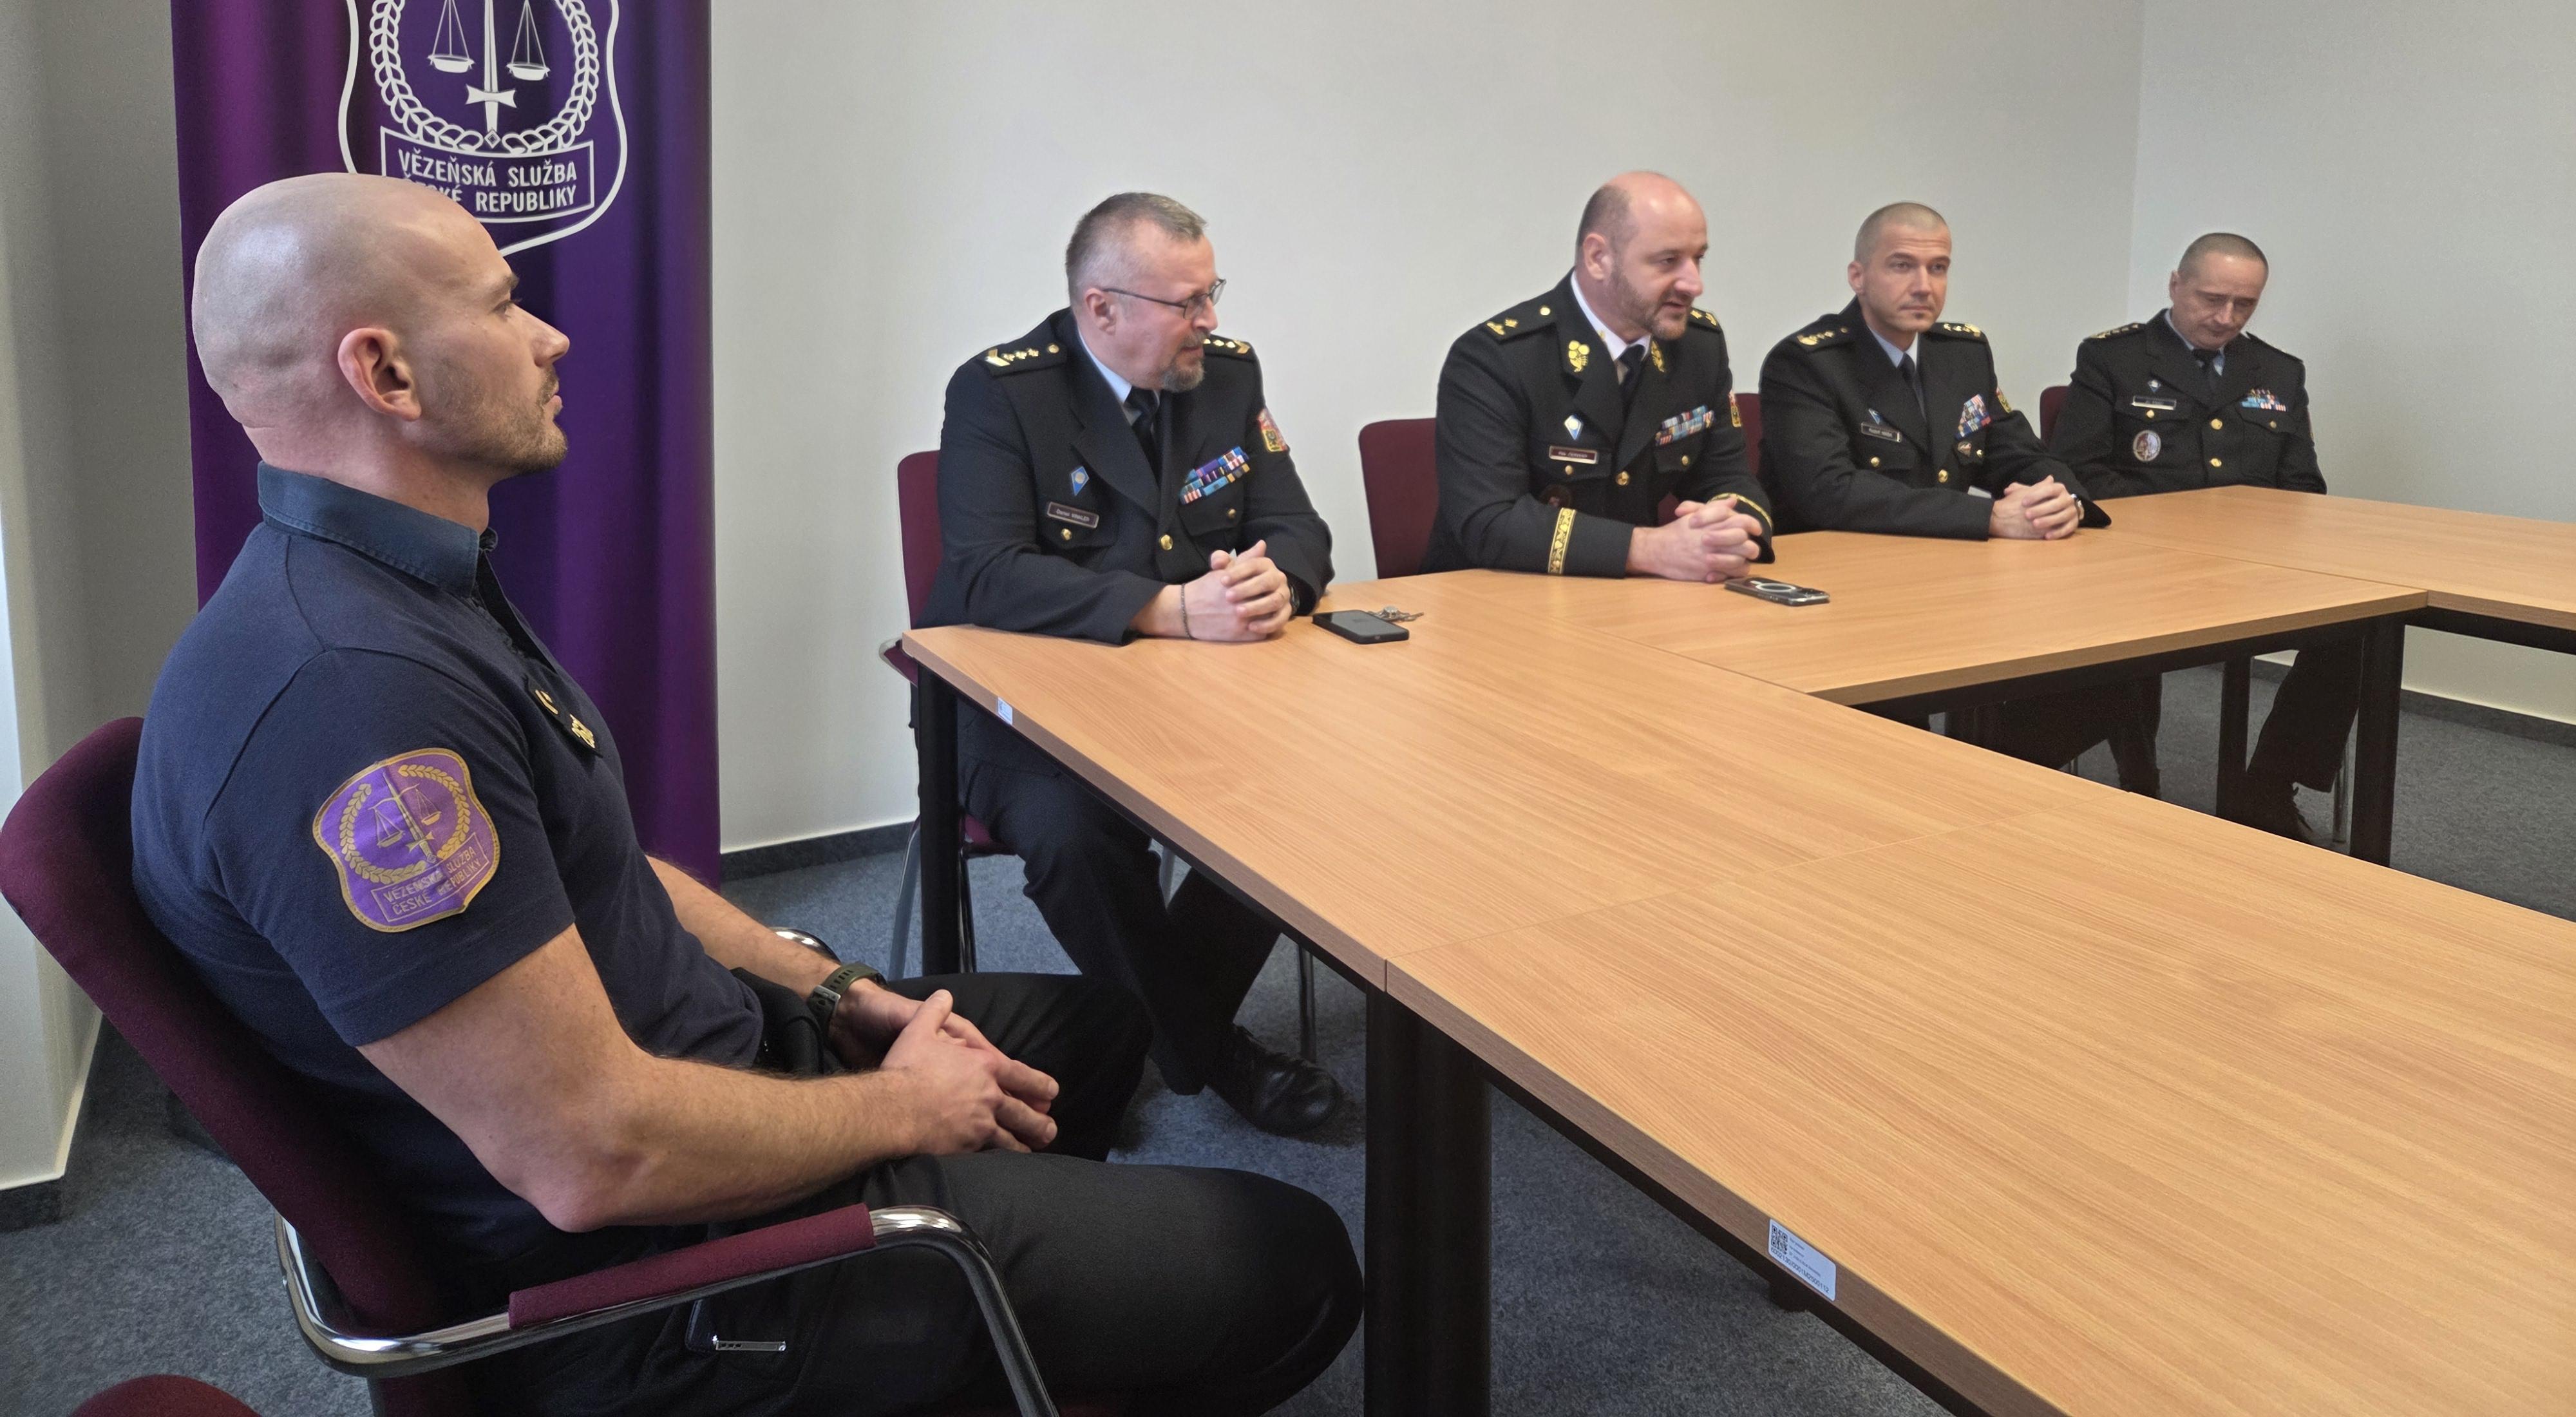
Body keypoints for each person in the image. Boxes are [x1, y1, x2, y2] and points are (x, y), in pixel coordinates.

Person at [134, 174, 1358, 1417]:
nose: (551, 337)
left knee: (1095, 1038)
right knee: (1299, 1264)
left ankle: (1018, 1313)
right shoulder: (354, 697)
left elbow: (615, 872)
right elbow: (593, 1154)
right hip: (664, 1283)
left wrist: (838, 993)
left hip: (713, 1058)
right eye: (503, 307)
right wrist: (894, 1108)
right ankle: (967, 1304)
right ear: (386, 375)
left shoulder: (408, 586)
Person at [922, 192, 1341, 1135]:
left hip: (1193, 695)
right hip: (1017, 707)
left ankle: (1144, 1036)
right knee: (1075, 836)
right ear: (1101, 308)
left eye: (1214, 293)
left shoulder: (1226, 376)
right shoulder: (1002, 392)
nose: (1212, 320)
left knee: (1301, 798)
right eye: (1187, 302)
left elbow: (1296, 524)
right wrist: (1165, 609)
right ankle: (1211, 1053)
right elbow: (986, 573)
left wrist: (1280, 583)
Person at [1757, 201, 2142, 777]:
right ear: (1858, 276)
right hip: (1847, 601)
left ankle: (1995, 779)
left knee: (2104, 664)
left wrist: (2062, 500)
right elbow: (1829, 492)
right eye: (1902, 266)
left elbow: (2018, 451)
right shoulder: (1808, 362)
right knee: (1892, 753)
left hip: (1952, 586)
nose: (1924, 285)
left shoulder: (1961, 354)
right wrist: (1988, 519)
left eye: (1938, 268)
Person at [2051, 231, 2353, 839]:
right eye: (2212, 299)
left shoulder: (2279, 371)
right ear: (2175, 285)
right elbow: (2078, 469)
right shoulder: (2114, 358)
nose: (2226, 317)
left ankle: (2269, 783)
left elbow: (2302, 486)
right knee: (2128, 628)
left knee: (2358, 628)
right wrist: (2179, 529)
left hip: (2249, 566)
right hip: (2141, 560)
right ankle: (2140, 782)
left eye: (2245, 304)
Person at [1424, 171, 1772, 579]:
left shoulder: (1698, 347)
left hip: (1632, 598)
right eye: (1668, 261)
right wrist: (1648, 549)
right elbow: (1490, 521)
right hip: (1496, 600)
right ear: (1598, 258)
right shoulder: (1496, 357)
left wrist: (1731, 532)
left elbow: (1729, 477)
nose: (1695, 284)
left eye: (1698, 259)